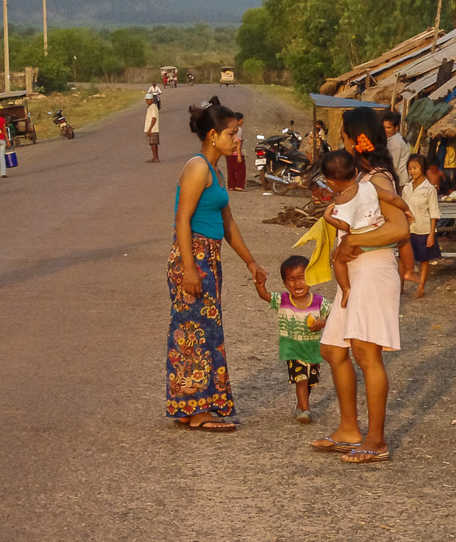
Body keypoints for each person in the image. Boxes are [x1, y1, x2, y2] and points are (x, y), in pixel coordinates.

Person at [309, 107, 411, 462]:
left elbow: (399, 228)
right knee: (334, 350)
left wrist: (355, 243)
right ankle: (349, 428)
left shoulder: (378, 178)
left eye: (345, 135)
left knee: (367, 355)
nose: (343, 142)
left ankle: (376, 439)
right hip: (356, 273)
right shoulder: (360, 177)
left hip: (373, 269)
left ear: (357, 137)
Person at [167, 96, 267, 432]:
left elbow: (229, 224)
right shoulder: (197, 167)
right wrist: (190, 268)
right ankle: (197, 410)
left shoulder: (216, 172)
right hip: (192, 256)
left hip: (209, 256)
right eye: (231, 133)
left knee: (205, 331)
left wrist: (251, 262)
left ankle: (190, 406)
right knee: (193, 333)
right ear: (213, 135)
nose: (236, 139)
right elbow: (182, 220)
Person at [253, 255, 331, 424]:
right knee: (301, 378)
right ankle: (306, 409)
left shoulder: (319, 302)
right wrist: (260, 286)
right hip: (293, 350)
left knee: (310, 381)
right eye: (292, 280)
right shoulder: (283, 300)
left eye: (302, 278)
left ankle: (300, 405)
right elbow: (266, 296)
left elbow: (335, 316)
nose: (297, 284)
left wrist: (322, 322)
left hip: (313, 350)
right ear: (285, 284)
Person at [320, 150, 387, 309]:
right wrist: (406, 209)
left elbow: (344, 226)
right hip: (379, 232)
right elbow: (392, 198)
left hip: (361, 239)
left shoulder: (342, 199)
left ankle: (346, 289)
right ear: (356, 171)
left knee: (337, 258)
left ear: (330, 183)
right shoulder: (370, 186)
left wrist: (328, 218)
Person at [403, 154, 442, 299]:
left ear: (422, 168)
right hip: (408, 229)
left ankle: (421, 287)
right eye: (409, 168)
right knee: (404, 258)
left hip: (423, 229)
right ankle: (400, 286)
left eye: (415, 168)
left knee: (423, 259)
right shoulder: (406, 188)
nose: (412, 171)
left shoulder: (429, 189)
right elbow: (403, 206)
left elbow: (433, 212)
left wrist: (432, 234)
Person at [382, 110, 409, 185]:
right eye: (384, 127)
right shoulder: (390, 139)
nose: (385, 130)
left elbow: (394, 165)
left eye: (388, 127)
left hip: (399, 181)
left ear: (396, 128)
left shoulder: (396, 143)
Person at [226, 112, 246, 191]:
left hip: (228, 152)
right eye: (242, 120)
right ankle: (239, 185)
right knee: (241, 170)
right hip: (235, 152)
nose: (242, 122)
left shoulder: (228, 129)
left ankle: (231, 185)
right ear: (238, 120)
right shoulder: (238, 130)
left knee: (230, 170)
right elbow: (238, 142)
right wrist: (239, 155)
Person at [144, 93, 160, 163]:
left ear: (152, 99)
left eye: (149, 99)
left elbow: (154, 118)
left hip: (153, 129)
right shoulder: (150, 107)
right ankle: (155, 157)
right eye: (146, 99)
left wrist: (150, 129)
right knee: (153, 144)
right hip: (151, 128)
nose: (147, 101)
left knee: (153, 144)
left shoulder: (153, 107)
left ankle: (155, 158)